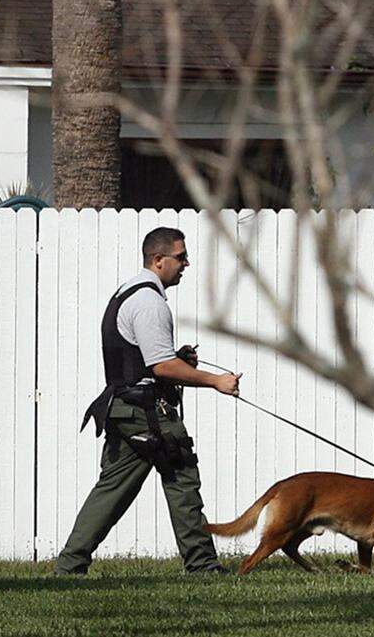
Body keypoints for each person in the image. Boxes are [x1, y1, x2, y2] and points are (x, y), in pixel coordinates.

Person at [55, 226, 241, 575]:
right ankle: (202, 564)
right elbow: (162, 367)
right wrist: (216, 381)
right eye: (181, 257)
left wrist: (178, 356)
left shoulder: (127, 292)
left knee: (111, 490)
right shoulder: (150, 303)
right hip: (147, 412)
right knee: (182, 477)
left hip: (123, 407)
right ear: (159, 260)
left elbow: (144, 358)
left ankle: (69, 566)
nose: (186, 264)